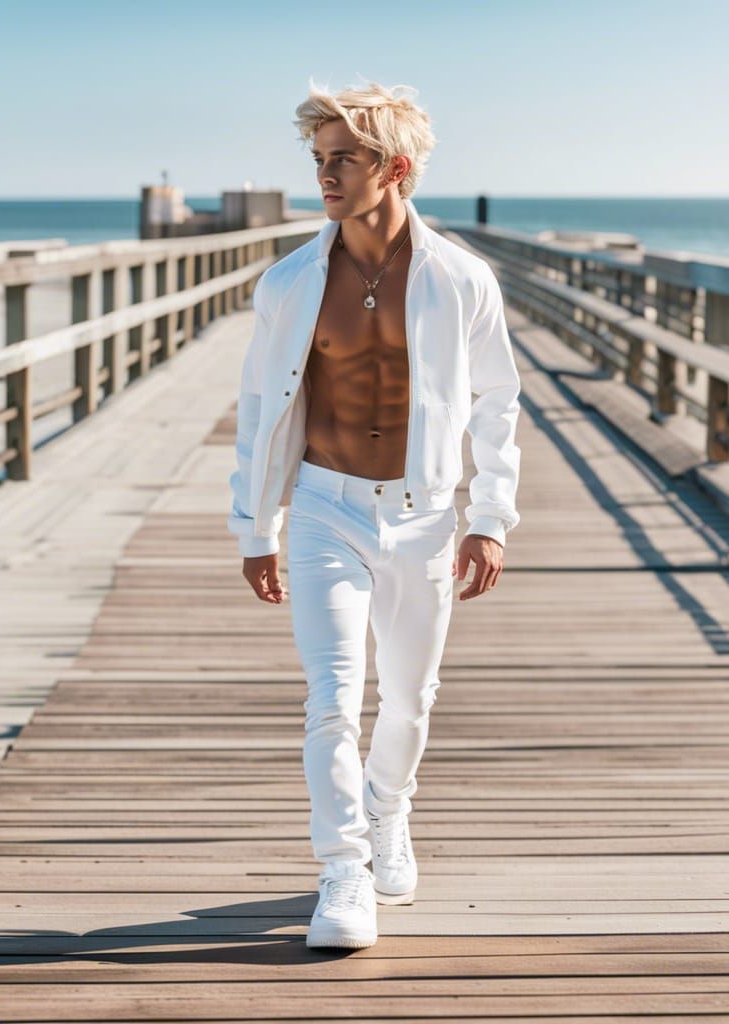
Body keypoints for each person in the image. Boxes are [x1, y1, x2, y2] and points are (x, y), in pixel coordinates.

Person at [227, 79, 522, 950]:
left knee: (409, 701)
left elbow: (498, 400)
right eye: (318, 159)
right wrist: (257, 526)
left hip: (425, 515)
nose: (325, 174)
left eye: (342, 159)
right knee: (331, 699)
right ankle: (343, 869)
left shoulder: (462, 279)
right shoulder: (288, 284)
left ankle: (390, 813)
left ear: (392, 168)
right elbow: (257, 406)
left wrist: (490, 515)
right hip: (325, 505)